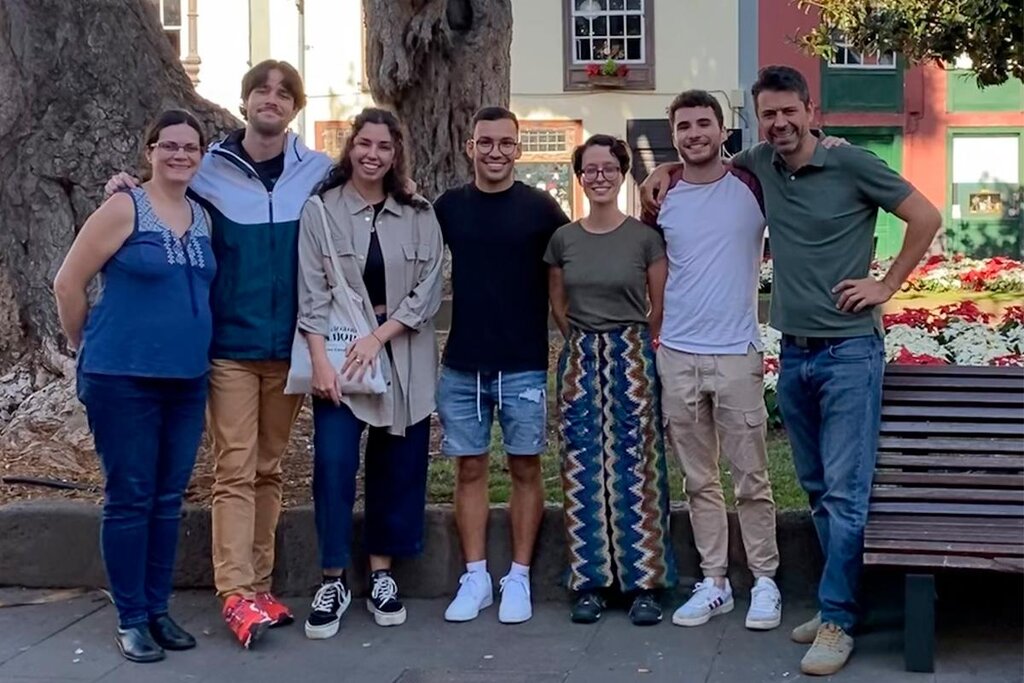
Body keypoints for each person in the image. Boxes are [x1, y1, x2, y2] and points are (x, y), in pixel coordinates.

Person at [642, 66, 941, 676]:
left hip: (850, 351)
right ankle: (844, 606)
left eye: (788, 111)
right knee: (815, 487)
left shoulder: (851, 162)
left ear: (810, 109)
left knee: (845, 491)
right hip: (798, 351)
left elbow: (927, 216)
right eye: (768, 115)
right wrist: (663, 168)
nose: (779, 123)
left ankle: (836, 616)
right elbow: (703, 161)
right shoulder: (762, 165)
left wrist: (886, 282)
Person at [105, 60, 334, 649]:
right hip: (228, 346)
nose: (272, 99)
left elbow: (369, 185)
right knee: (235, 467)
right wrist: (125, 185)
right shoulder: (209, 169)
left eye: (284, 93)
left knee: (269, 468)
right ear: (245, 100)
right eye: (262, 89)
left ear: (295, 108)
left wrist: (404, 186)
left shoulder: (317, 172)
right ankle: (233, 591)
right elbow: (163, 182)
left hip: (288, 347)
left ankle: (258, 584)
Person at [55, 110, 216, 663]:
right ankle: (130, 617)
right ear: (149, 151)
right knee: (130, 498)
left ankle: (157, 608)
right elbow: (68, 283)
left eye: (190, 147)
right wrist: (86, 344)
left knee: (168, 500)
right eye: (168, 145)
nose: (179, 155)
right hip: (123, 378)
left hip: (187, 379)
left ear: (201, 156)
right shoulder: (123, 207)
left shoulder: (201, 218)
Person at [295, 108, 443, 639]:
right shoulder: (321, 211)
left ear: (395, 153)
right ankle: (332, 577)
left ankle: (382, 573)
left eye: (384, 146)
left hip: (401, 356)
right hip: (339, 361)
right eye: (364, 144)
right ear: (350, 148)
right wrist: (319, 362)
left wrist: (378, 337)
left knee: (397, 467)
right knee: (333, 466)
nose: (373, 154)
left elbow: (428, 289)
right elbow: (311, 292)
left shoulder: (420, 213)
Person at [640, 90, 784, 632]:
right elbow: (652, 266)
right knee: (699, 480)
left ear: (723, 132)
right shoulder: (662, 195)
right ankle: (715, 580)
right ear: (673, 134)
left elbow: (798, 158)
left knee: (751, 477)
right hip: (677, 354)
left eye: (704, 124)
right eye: (684, 126)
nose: (694, 133)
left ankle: (765, 580)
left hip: (736, 353)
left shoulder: (752, 185)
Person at [435, 107, 570, 625]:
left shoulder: (540, 209)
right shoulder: (449, 208)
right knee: (469, 469)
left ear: (519, 149)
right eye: (485, 142)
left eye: (505, 143)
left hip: (523, 364)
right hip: (462, 362)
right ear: (470, 146)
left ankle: (517, 576)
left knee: (524, 467)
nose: (495, 151)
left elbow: (575, 258)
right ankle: (475, 577)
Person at [545, 135, 675, 626]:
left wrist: (634, 345)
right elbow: (558, 304)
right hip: (581, 356)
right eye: (589, 169)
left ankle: (644, 583)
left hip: (632, 354)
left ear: (623, 174)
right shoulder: (564, 239)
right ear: (580, 176)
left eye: (608, 168)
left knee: (639, 468)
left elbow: (657, 306)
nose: (599, 176)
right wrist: (584, 340)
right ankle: (591, 583)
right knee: (581, 468)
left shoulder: (644, 238)